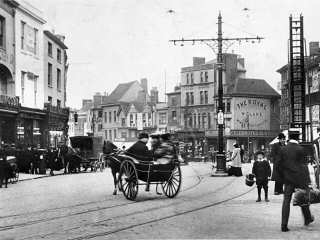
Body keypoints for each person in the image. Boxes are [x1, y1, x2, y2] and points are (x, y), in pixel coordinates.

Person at [275, 130, 314, 232]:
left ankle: (284, 225)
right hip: (300, 179)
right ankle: (307, 218)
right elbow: (304, 166)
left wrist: (283, 176)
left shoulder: (283, 149)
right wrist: (307, 181)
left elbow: (277, 165)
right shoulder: (301, 149)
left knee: (286, 201)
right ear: (297, 138)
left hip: (288, 179)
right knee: (303, 198)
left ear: (289, 137)